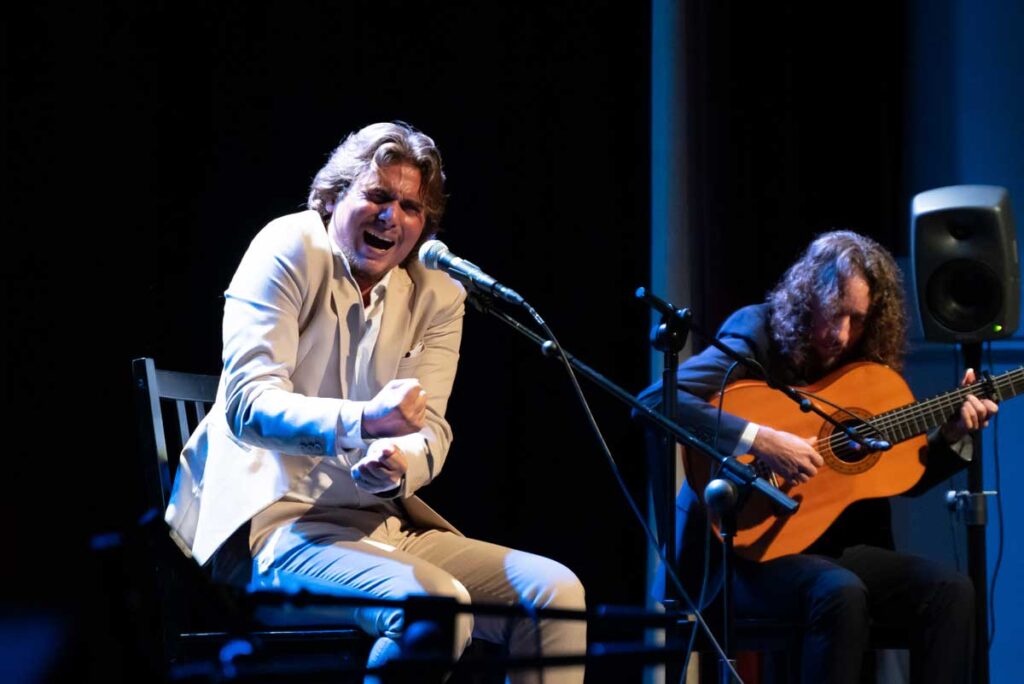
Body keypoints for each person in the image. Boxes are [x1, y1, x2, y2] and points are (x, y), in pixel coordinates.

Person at [164, 121, 585, 683]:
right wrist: (363, 422)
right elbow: (247, 403)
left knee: (554, 592)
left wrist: (399, 465)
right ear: (335, 197)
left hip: (380, 525)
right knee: (434, 607)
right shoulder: (289, 246)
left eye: (411, 207)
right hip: (271, 527)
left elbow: (430, 427)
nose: (394, 218)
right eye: (378, 197)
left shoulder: (437, 292)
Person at [638, 230, 996, 683]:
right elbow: (656, 399)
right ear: (809, 297)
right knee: (840, 593)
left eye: (858, 319)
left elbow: (900, 474)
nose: (842, 334)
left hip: (832, 549)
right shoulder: (757, 333)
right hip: (739, 553)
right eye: (834, 313)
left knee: (952, 591)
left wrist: (951, 436)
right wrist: (760, 438)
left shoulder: (868, 367)